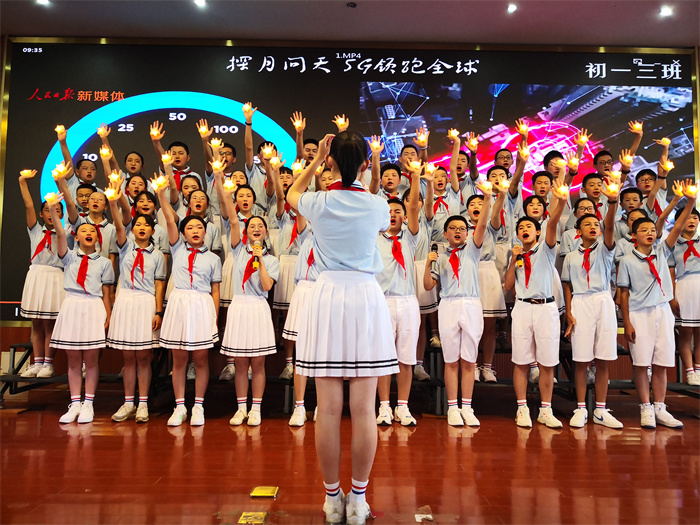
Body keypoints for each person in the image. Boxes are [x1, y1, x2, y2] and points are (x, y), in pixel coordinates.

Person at [287, 131, 398, 525]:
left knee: (328, 408)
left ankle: (333, 499)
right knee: (365, 408)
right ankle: (358, 500)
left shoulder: (318, 201)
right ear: (367, 164)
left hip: (328, 296)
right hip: (366, 297)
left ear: (331, 160)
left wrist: (316, 159)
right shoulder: (378, 205)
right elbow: (372, 198)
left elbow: (292, 193)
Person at [618, 180, 696, 429]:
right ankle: (645, 407)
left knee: (661, 363)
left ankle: (660, 407)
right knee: (642, 364)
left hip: (663, 311)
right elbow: (623, 294)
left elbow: (676, 225)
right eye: (644, 230)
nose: (650, 233)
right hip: (639, 314)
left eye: (653, 230)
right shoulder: (627, 260)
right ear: (634, 236)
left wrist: (690, 200)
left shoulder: (662, 251)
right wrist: (627, 322)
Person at [154, 176, 221, 427]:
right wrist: (161, 193)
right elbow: (169, 218)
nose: (195, 231)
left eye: (199, 228)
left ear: (206, 232)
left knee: (201, 360)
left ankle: (199, 406)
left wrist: (214, 318)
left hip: (202, 306)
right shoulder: (177, 249)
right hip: (180, 304)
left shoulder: (213, 259)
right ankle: (180, 406)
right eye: (190, 228)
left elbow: (215, 291)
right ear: (183, 233)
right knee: (179, 360)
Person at [505, 178, 568, 428]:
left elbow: (551, 222)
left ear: (538, 232)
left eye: (529, 227)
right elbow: (508, 285)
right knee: (521, 361)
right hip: (522, 307)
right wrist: (513, 260)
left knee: (547, 361)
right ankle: (521, 409)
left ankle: (545, 409)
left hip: (546, 308)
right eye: (521, 227)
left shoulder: (546, 249)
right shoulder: (517, 255)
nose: (525, 229)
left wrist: (560, 202)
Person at [47, 192, 114, 424]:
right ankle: (75, 403)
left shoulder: (104, 263)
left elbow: (107, 294)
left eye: (92, 231)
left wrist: (107, 316)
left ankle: (89, 404)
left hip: (93, 307)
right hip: (72, 306)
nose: (88, 233)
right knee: (74, 361)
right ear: (76, 236)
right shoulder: (68, 257)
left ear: (97, 238)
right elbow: (60, 232)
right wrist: (54, 208)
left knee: (92, 361)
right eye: (83, 230)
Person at [219, 176, 280, 428]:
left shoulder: (272, 260)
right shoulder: (237, 249)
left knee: (258, 363)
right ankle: (241, 408)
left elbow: (266, 286)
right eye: (252, 225)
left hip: (258, 307)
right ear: (246, 232)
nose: (256, 228)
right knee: (241, 363)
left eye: (260, 226)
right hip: (240, 306)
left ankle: (256, 409)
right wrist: (228, 194)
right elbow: (233, 220)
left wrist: (261, 259)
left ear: (265, 232)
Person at [562, 181, 623, 428]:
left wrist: (612, 201)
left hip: (602, 301)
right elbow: (567, 285)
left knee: (603, 358)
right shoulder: (570, 256)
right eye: (587, 224)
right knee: (581, 359)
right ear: (578, 231)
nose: (593, 227)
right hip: (580, 303)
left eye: (596, 224)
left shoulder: (605, 250)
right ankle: (580, 408)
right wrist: (568, 312)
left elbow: (609, 225)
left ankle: (600, 409)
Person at [106, 179, 166, 424]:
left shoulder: (158, 255)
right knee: (128, 358)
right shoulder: (125, 247)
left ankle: (143, 404)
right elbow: (118, 223)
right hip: (125, 301)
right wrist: (114, 200)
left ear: (153, 231)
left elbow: (159, 284)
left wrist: (158, 311)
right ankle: (128, 402)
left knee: (143, 357)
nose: (141, 227)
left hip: (145, 303)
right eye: (138, 224)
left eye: (146, 225)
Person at [375, 159, 422, 427]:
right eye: (389, 211)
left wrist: (415, 177)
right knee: (383, 357)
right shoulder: (373, 237)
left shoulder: (410, 236)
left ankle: (402, 406)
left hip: (407, 301)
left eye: (397, 211)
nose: (393, 214)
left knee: (406, 357)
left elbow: (414, 205)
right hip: (382, 301)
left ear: (404, 217)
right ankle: (384, 406)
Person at [18, 169, 65, 379]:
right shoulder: (35, 230)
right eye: (47, 210)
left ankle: (48, 363)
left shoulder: (65, 232)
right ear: (41, 214)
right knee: (36, 322)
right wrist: (22, 182)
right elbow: (28, 205)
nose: (50, 213)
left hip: (54, 277)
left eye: (55, 210)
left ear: (61, 214)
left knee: (49, 323)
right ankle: (37, 363)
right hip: (36, 276)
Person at [669, 205, 700, 385]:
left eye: (695, 218)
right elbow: (671, 273)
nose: (692, 221)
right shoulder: (673, 244)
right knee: (686, 332)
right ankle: (689, 371)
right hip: (684, 286)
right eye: (687, 217)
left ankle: (699, 369)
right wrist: (672, 297)